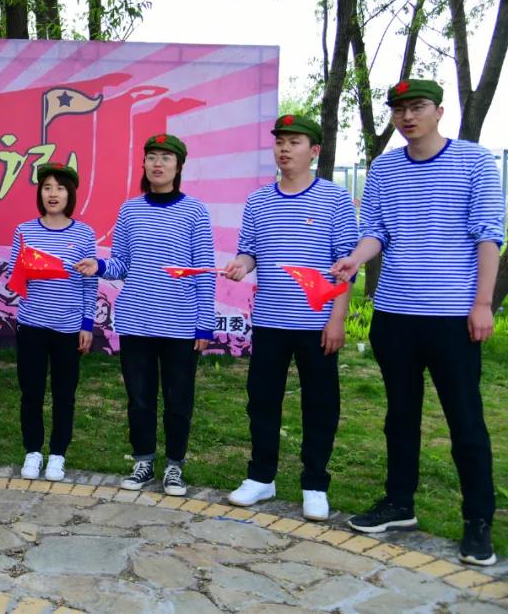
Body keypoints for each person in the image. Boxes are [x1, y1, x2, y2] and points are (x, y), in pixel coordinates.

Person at [330, 79, 502, 566]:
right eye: (399, 109)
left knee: (465, 419)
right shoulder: (384, 167)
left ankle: (478, 520)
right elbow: (376, 232)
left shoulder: (474, 161)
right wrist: (354, 258)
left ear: (439, 111)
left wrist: (482, 304)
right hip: (394, 315)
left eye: (418, 107)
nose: (407, 116)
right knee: (400, 415)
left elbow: (489, 235)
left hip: (452, 317)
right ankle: (399, 503)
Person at [223, 114, 357, 521]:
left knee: (320, 405)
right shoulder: (258, 201)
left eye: (294, 142)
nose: (284, 148)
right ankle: (261, 477)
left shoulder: (335, 199)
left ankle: (315, 484)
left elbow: (346, 267)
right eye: (280, 141)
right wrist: (242, 265)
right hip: (270, 321)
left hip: (317, 323)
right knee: (262, 401)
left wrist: (336, 320)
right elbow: (250, 251)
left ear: (314, 151)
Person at [75, 134, 215, 496]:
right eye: (152, 157)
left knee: (178, 399)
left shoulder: (195, 211)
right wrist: (98, 265)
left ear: (178, 166)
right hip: (137, 320)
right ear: (144, 164)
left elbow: (204, 269)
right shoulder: (130, 210)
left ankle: (175, 467)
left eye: (166, 158)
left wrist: (204, 324)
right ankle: (143, 461)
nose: (158, 163)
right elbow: (121, 264)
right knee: (139, 398)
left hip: (181, 323)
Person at [10, 162, 98, 482]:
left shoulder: (84, 233)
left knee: (64, 394)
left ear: (70, 194)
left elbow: (90, 283)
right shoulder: (24, 230)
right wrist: (29, 269)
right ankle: (33, 451)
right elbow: (13, 276)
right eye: (47, 187)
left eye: (60, 188)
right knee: (31, 392)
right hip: (32, 325)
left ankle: (58, 454)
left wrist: (87, 324)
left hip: (69, 328)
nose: (53, 194)